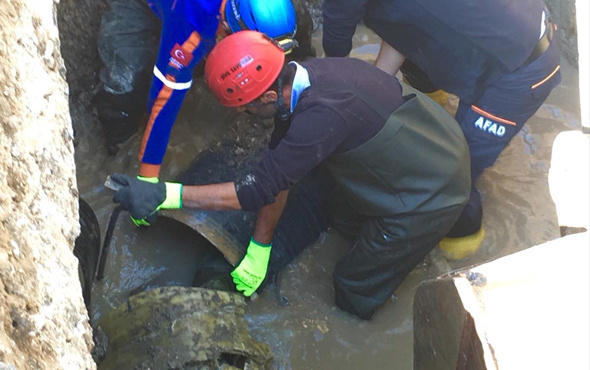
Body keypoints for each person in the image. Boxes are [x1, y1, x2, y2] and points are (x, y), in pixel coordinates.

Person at [109, 31, 471, 319]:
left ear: (266, 97)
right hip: (422, 142)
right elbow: (275, 177)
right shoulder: (301, 81)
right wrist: (260, 247)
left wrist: (165, 195)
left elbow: (256, 190)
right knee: (342, 221)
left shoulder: (321, 116)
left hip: (429, 191)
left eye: (244, 107)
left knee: (351, 285)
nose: (244, 115)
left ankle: (359, 316)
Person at [322, 0, 562, 255]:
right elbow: (405, 28)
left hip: (521, 71)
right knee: (421, 73)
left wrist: (338, 97)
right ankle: (438, 110)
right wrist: (372, 86)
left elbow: (337, 46)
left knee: (453, 176)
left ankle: (461, 254)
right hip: (502, 35)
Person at [94, 0, 299, 179]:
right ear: (226, 28)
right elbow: (165, 97)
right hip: (144, 6)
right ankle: (118, 146)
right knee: (126, 85)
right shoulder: (193, 27)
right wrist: (148, 176)